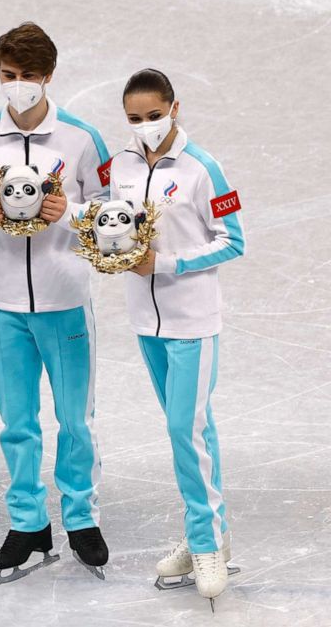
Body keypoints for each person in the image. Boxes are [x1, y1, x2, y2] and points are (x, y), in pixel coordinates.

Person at [0, 22, 111, 580]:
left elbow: (116, 215)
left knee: (75, 420)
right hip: (4, 304)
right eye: (10, 76)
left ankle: (81, 519)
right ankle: (27, 522)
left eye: (31, 77)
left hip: (66, 300)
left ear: (49, 76)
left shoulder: (82, 139)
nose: (20, 86)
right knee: (17, 422)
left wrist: (68, 211)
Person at [111, 68, 244, 604]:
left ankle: (207, 543)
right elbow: (108, 216)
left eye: (153, 115)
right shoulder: (118, 165)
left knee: (182, 432)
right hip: (146, 322)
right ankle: (209, 532)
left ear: (174, 107)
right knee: (194, 427)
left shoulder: (203, 168)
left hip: (193, 321)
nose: (145, 126)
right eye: (135, 119)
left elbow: (232, 240)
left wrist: (165, 263)